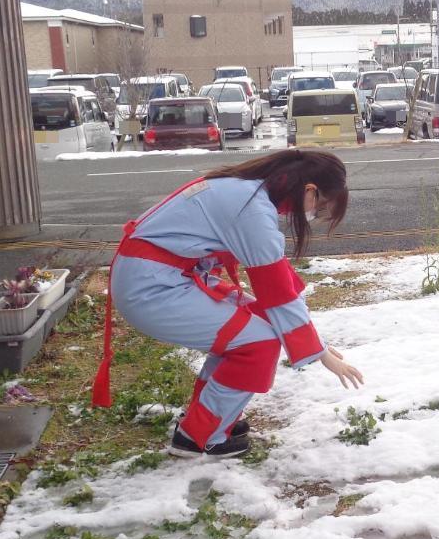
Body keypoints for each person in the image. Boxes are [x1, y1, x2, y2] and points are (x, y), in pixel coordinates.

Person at [94, 150, 366, 458]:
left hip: (158, 277)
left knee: (254, 325)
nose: (315, 216)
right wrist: (321, 354)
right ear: (310, 190)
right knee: (259, 343)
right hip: (152, 287)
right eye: (322, 207)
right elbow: (278, 291)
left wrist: (317, 343)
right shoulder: (251, 209)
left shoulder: (246, 191)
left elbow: (278, 291)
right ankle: (200, 436)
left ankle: (208, 417)